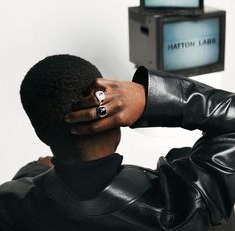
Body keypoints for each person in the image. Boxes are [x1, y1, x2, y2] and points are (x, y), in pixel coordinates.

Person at [0, 54, 235, 231]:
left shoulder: (9, 202)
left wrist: (33, 172)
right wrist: (151, 98)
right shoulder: (185, 205)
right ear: (114, 115)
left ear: (40, 134)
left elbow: (27, 193)